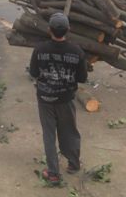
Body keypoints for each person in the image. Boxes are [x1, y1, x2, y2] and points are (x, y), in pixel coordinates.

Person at [29, 12, 88, 186]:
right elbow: (82, 78)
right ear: (68, 30)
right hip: (66, 98)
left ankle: (53, 173)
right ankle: (73, 163)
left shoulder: (40, 49)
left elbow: (33, 73)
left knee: (49, 134)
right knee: (69, 130)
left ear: (50, 30)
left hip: (45, 98)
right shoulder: (76, 51)